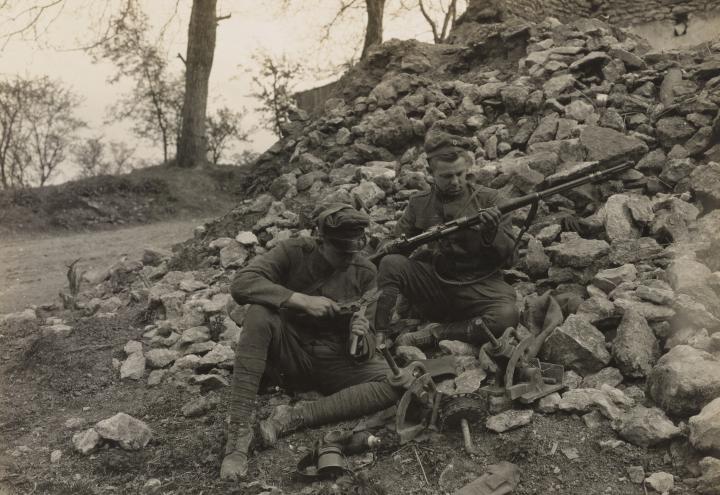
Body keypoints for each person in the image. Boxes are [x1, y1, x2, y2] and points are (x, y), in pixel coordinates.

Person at [221, 203, 401, 481]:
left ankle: (292, 418)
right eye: (340, 252)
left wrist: (360, 334)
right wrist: (301, 300)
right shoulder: (293, 252)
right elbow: (242, 283)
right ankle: (238, 436)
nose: (348, 259)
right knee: (258, 313)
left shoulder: (365, 271)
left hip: (334, 360)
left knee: (393, 382)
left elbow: (366, 349)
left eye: (354, 251)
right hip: (289, 353)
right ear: (321, 241)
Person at [374, 132, 519, 348]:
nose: (455, 182)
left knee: (507, 316)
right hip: (436, 285)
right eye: (446, 176)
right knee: (390, 263)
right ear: (431, 173)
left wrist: (492, 232)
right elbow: (391, 245)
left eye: (460, 174)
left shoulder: (490, 199)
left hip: (479, 286)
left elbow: (511, 260)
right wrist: (396, 245)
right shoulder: (419, 203)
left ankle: (434, 334)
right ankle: (380, 334)